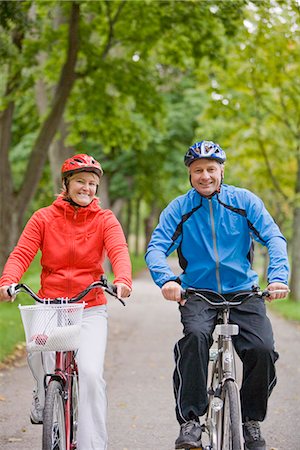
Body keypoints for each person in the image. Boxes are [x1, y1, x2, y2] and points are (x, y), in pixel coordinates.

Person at [145, 140, 289, 450]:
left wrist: (277, 278)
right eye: (198, 170)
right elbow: (156, 248)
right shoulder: (180, 208)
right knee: (195, 338)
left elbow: (274, 238)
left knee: (262, 349)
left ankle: (250, 420)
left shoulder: (244, 201)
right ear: (190, 174)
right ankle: (191, 421)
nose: (205, 176)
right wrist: (167, 280)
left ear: (222, 170)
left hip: (244, 292)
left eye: (211, 169)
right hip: (197, 292)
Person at [0, 153, 132, 450]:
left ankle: (93, 445)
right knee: (38, 354)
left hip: (90, 307)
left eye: (92, 183)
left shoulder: (104, 219)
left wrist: (123, 279)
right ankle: (41, 393)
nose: (87, 188)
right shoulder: (43, 218)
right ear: (66, 184)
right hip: (51, 304)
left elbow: (119, 250)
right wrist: (8, 281)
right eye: (80, 182)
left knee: (89, 374)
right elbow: (22, 253)